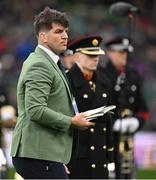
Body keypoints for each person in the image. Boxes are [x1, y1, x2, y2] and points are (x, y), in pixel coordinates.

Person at [11, 7, 95, 179]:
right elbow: (35, 110)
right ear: (43, 37)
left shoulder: (50, 62)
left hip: (44, 154)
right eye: (58, 31)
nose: (65, 36)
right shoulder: (40, 64)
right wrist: (71, 121)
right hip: (36, 155)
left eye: (65, 31)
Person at [97, 36, 149, 179]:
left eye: (125, 52)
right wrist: (114, 123)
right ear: (110, 52)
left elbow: (143, 108)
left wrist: (137, 121)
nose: (124, 56)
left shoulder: (132, 75)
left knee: (128, 174)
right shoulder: (101, 75)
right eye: (120, 52)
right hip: (107, 139)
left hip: (127, 140)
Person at [66, 35, 114, 179]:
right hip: (76, 155)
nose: (95, 59)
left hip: (100, 154)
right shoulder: (67, 81)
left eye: (97, 55)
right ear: (77, 57)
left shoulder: (104, 81)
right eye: (90, 55)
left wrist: (110, 154)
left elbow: (109, 121)